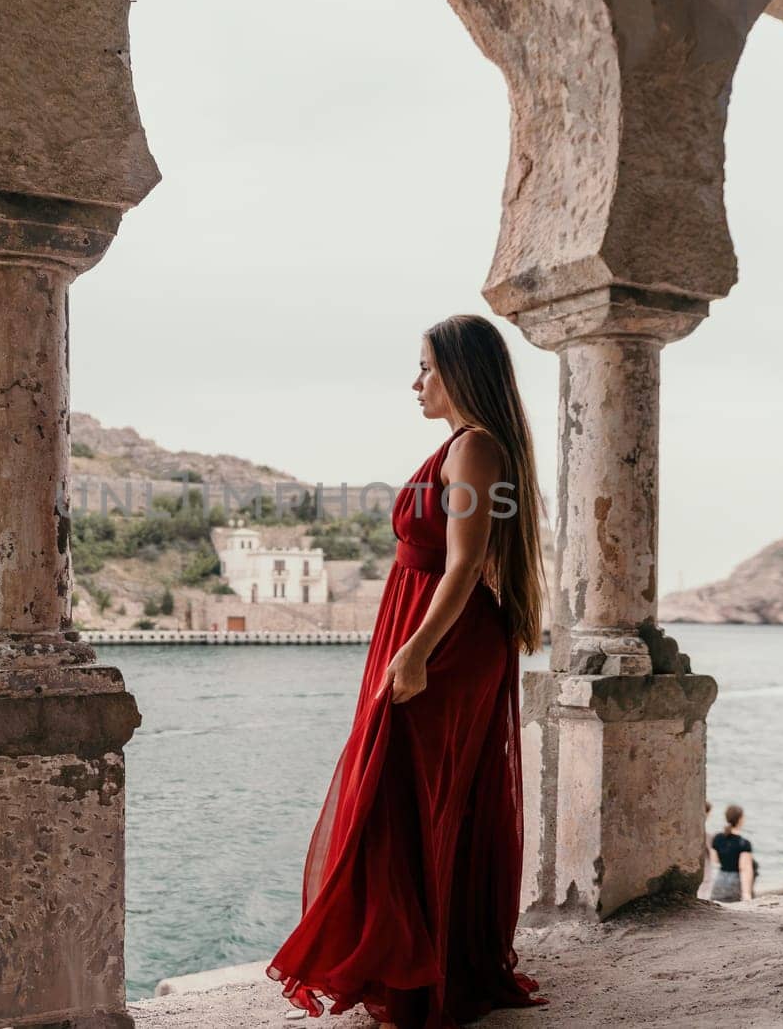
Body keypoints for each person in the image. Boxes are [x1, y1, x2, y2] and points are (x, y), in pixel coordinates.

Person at [269, 314, 547, 1029]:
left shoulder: (475, 448)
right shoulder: (460, 447)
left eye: (425, 366)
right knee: (406, 796)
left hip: (445, 641)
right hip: (427, 631)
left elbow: (462, 565)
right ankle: (410, 966)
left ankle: (422, 976)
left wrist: (417, 649)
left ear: (459, 370)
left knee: (409, 796)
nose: (415, 381)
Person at [709, 804, 755, 903]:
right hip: (735, 881)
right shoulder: (744, 843)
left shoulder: (717, 838)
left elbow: (714, 860)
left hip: (719, 880)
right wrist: (746, 893)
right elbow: (745, 869)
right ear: (741, 819)